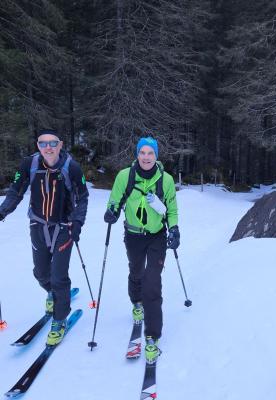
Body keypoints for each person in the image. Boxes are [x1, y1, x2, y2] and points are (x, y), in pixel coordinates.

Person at [0, 129, 88, 345]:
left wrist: (77, 223)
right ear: (38, 146)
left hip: (63, 227)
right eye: (43, 143)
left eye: (53, 143)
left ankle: (60, 318)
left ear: (60, 145)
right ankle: (51, 293)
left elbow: (83, 197)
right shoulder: (28, 165)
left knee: (59, 276)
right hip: (37, 225)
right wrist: (2, 210)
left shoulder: (71, 167)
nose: (48, 147)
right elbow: (16, 190)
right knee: (40, 272)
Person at [104, 136, 179, 363]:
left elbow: (172, 210)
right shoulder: (124, 177)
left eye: (151, 153)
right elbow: (114, 201)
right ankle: (136, 303)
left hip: (156, 236)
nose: (146, 157)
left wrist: (174, 230)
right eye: (143, 153)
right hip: (133, 235)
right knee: (136, 272)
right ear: (137, 154)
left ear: (156, 156)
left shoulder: (165, 180)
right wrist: (112, 212)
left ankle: (153, 335)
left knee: (152, 282)